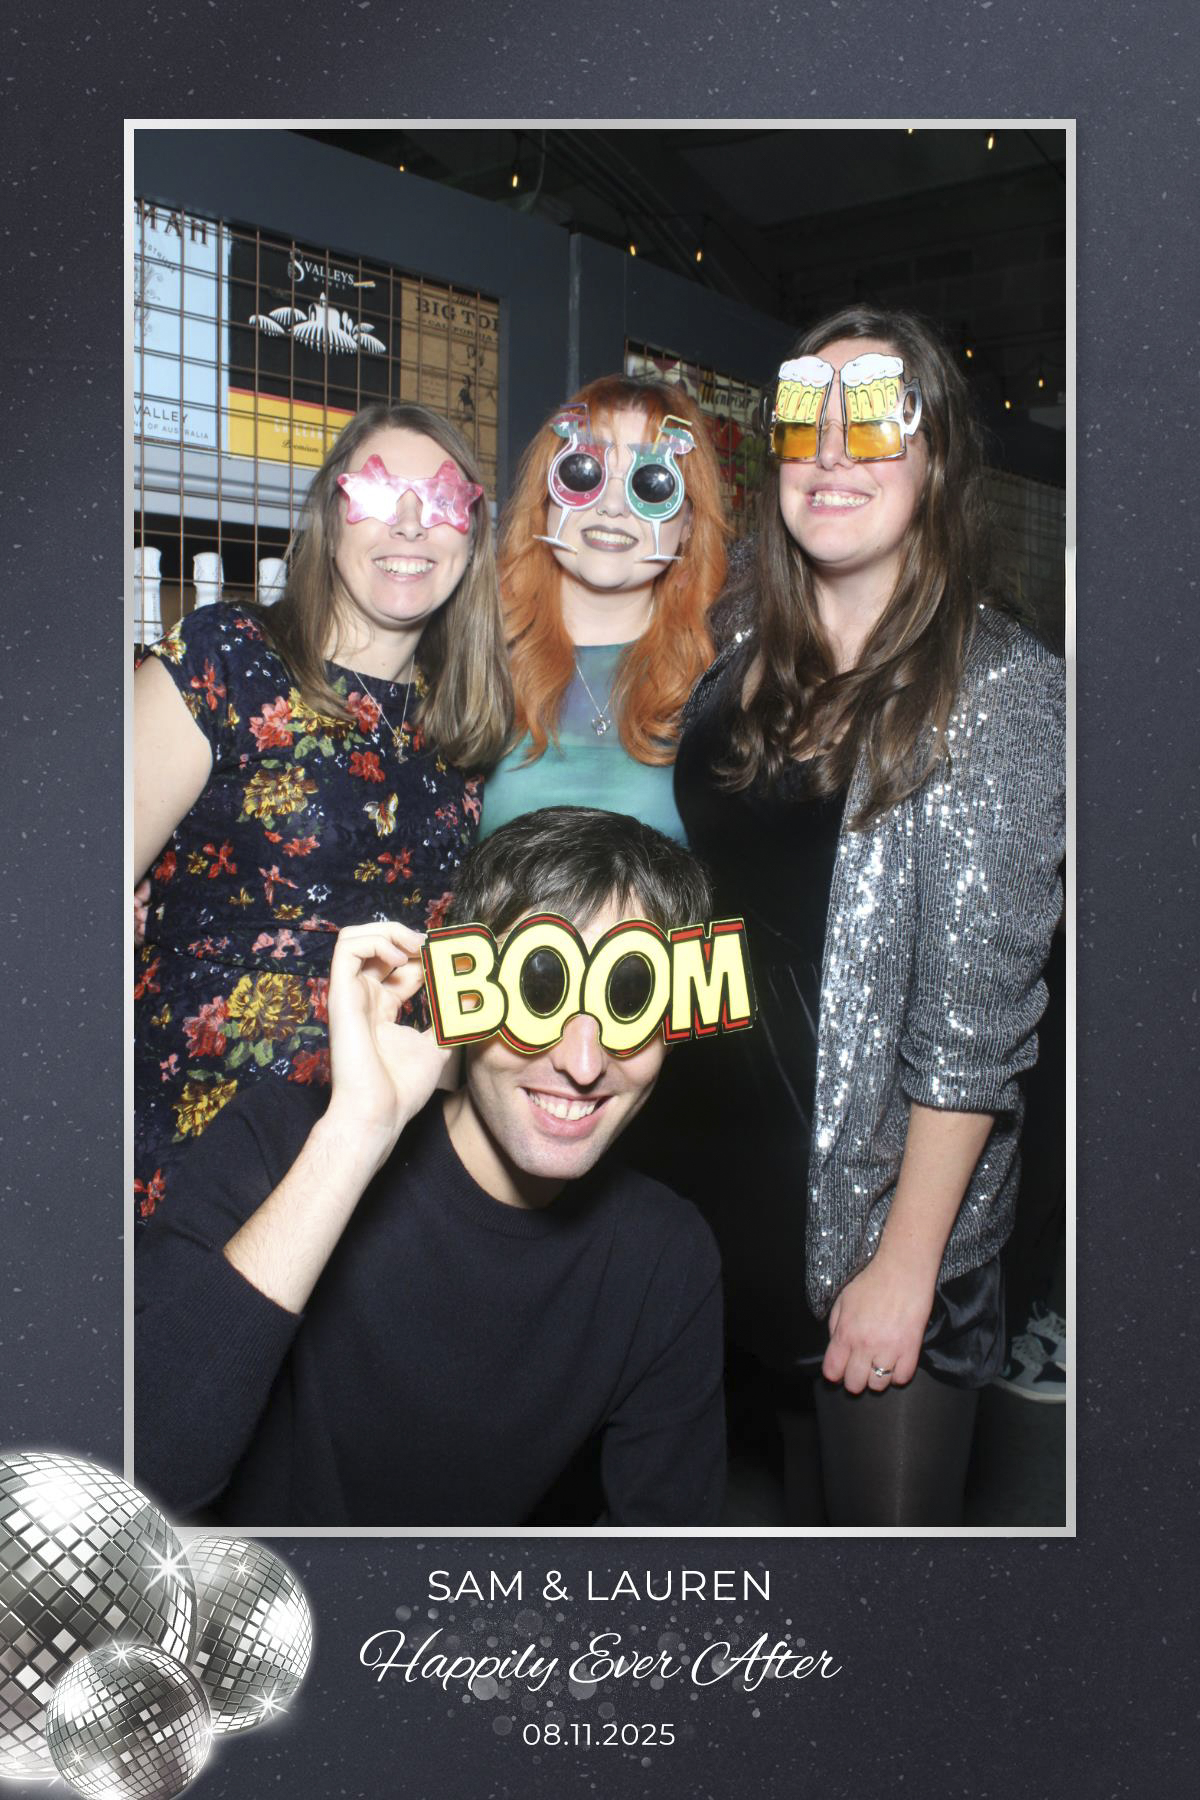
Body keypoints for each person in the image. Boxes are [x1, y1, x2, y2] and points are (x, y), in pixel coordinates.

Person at [671, 305, 1066, 1526]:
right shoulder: (741, 647)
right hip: (738, 1195)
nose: (834, 450)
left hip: (880, 1227)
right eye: (806, 418)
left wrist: (904, 1267)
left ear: (935, 461)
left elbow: (975, 1035)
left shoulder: (997, 689)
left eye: (880, 420)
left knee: (885, 1599)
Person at [134, 807, 725, 1528]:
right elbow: (132, 1493)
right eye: (539, 990)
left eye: (630, 998)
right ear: (461, 991)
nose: (582, 1063)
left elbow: (672, 1571)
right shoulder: (279, 1145)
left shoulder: (665, 1258)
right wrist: (354, 1137)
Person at [133, 403, 511, 1222]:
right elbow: (67, 893)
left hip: (383, 1168)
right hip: (199, 1144)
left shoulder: (466, 726)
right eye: (378, 490)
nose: (409, 522)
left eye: (441, 499)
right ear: (331, 515)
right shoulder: (225, 656)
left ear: (473, 536)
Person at [479, 376, 728, 843]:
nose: (612, 506)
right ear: (546, 497)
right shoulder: (475, 656)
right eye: (582, 473)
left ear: (689, 524)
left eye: (651, 484)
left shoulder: (722, 680)